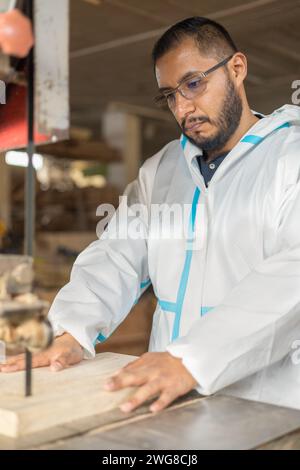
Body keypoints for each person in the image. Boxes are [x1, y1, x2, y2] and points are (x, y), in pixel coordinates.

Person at [2, 17, 300, 414]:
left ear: (237, 68)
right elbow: (116, 255)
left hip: (262, 401)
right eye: (169, 96)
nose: (183, 107)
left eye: (194, 84)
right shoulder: (161, 170)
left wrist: (192, 359)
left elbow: (291, 275)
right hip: (167, 395)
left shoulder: (288, 159)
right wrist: (71, 330)